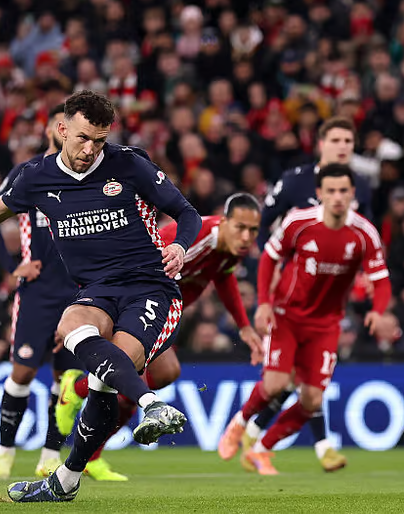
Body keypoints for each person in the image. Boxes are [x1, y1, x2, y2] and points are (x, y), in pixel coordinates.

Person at [0, 90, 201, 503]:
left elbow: (186, 212)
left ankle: (74, 471)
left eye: (99, 140)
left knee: (110, 374)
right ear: (61, 129)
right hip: (96, 291)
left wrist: (180, 246)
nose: (90, 149)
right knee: (74, 330)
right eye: (83, 137)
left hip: (150, 286)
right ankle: (142, 411)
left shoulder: (130, 165)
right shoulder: (36, 176)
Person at [55, 193, 268, 477]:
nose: (246, 237)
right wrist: (89, 307)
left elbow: (223, 275)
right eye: (240, 227)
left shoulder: (229, 250)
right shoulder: (194, 238)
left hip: (159, 313)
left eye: (253, 230)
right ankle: (78, 395)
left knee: (164, 375)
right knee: (132, 378)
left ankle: (88, 435)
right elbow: (135, 263)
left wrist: (243, 325)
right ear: (224, 221)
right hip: (134, 305)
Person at [218, 164, 390, 475]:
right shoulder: (299, 222)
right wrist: (265, 304)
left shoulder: (364, 233)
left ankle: (261, 450)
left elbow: (381, 279)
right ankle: (239, 424)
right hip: (288, 316)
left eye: (343, 191)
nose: (337, 197)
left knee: (311, 398)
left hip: (327, 324)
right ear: (320, 194)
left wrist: (378, 310)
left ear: (352, 194)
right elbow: (270, 257)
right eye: (331, 191)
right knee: (275, 384)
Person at [250, 116, 371, 471]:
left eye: (349, 141)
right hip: (292, 295)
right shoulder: (295, 181)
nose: (343, 146)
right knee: (297, 380)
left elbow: (367, 235)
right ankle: (318, 446)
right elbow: (263, 223)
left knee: (303, 380)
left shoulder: (360, 186)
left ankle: (257, 434)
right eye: (336, 139)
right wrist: (269, 274)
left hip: (331, 296)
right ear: (321, 144)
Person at [0, 107, 88, 481]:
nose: (68, 131)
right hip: (38, 292)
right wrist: (12, 267)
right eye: (62, 125)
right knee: (23, 371)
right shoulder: (28, 172)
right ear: (50, 130)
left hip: (78, 292)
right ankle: (4, 450)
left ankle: (49, 455)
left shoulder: (86, 174)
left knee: (66, 381)